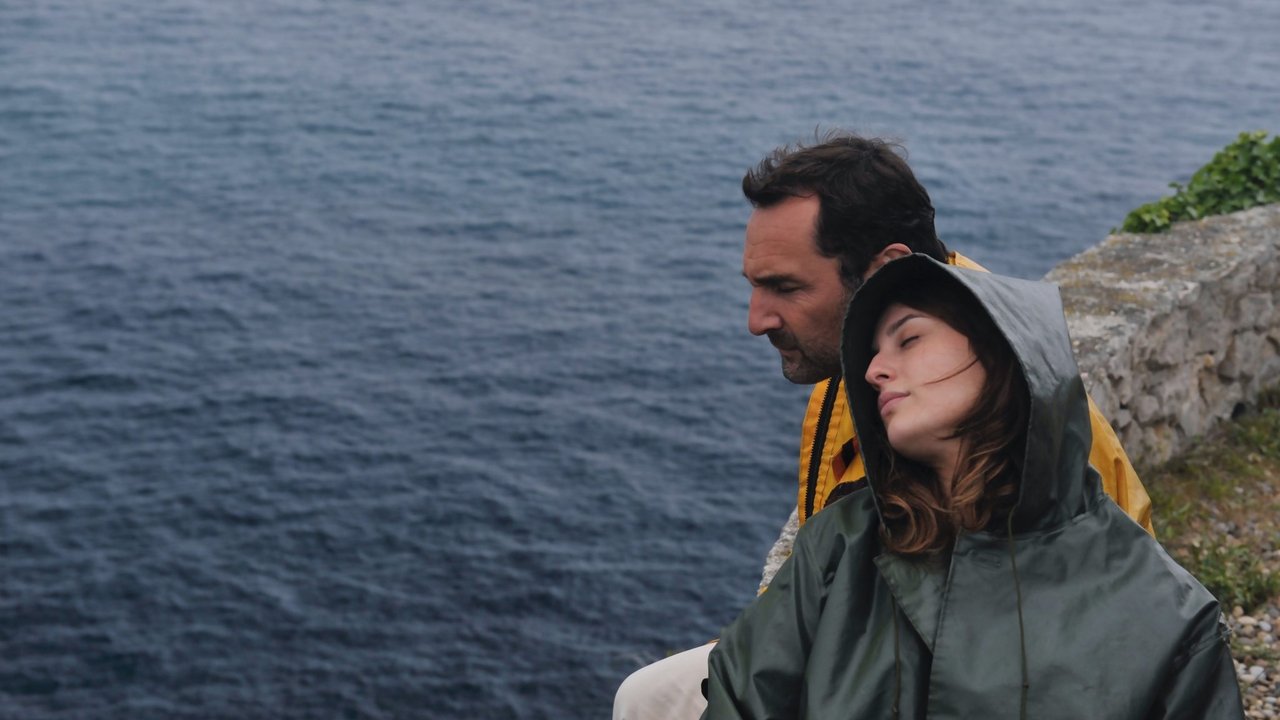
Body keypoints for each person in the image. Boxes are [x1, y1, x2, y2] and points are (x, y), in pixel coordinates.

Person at [612, 132, 1153, 720]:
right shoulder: (868, 357)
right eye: (755, 285)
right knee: (646, 697)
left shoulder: (1013, 415)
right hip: (869, 642)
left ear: (885, 270)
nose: (757, 320)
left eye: (786, 288)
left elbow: (1055, 661)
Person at [703, 254, 1244, 718]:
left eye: (909, 338)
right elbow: (739, 697)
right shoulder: (841, 542)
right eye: (873, 353)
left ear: (1004, 352)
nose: (872, 371)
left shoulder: (1171, 616)